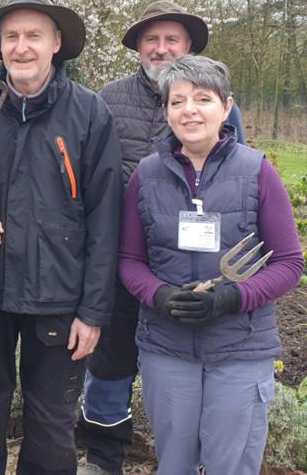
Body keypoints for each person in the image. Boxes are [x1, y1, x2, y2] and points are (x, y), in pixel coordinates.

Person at [0, 0, 122, 475]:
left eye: (34, 35)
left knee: (51, 425)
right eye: (11, 35)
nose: (22, 47)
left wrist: (93, 311)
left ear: (56, 42)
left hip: (60, 299)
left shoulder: (89, 115)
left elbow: (107, 219)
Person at [78, 0, 248, 475]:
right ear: (137, 48)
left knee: (183, 367)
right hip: (118, 256)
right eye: (151, 40)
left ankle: (185, 458)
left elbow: (237, 179)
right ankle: (104, 458)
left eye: (171, 39)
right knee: (108, 363)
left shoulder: (216, 102)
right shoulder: (107, 99)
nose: (161, 48)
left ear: (188, 45)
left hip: (189, 267)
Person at [118, 55, 303, 474]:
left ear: (226, 106)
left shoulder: (258, 172)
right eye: (177, 100)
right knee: (175, 463)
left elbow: (289, 262)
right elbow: (130, 260)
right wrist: (158, 295)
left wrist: (234, 296)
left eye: (202, 98)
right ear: (166, 110)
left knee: (231, 465)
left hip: (240, 348)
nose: (189, 110)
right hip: (167, 347)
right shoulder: (146, 176)